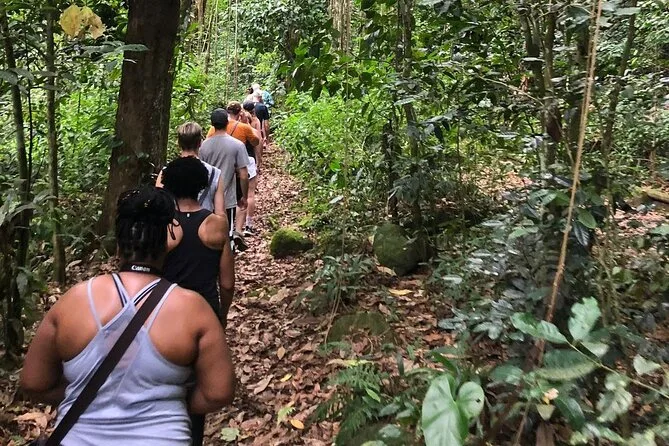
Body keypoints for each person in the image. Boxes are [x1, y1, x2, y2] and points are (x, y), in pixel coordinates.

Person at [20, 186, 235, 445]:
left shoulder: (74, 300)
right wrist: (169, 401)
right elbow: (219, 392)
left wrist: (93, 395)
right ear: (166, 244)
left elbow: (34, 382)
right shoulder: (193, 308)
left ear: (119, 245)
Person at [160, 157, 235, 446]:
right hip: (205, 312)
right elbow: (227, 283)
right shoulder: (216, 225)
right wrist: (222, 315)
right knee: (196, 384)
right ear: (202, 186)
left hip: (166, 313)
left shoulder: (164, 227)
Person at [200, 108, 250, 251]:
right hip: (228, 198)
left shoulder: (203, 146)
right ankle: (227, 258)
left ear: (212, 124)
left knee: (209, 234)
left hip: (207, 199)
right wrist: (244, 196)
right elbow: (244, 175)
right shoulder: (237, 145)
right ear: (227, 123)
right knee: (227, 234)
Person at [157, 122, 225, 215]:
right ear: (200, 143)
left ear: (178, 143)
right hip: (205, 222)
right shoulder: (214, 173)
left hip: (175, 222)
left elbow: (159, 206)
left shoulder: (166, 172)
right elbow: (220, 212)